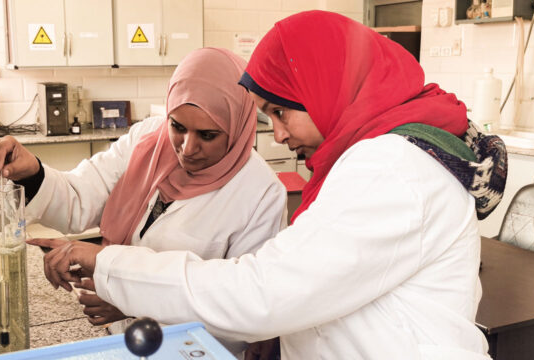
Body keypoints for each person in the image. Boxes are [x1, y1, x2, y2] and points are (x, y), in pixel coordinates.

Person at [29, 11, 508, 359]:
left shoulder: (390, 168)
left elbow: (262, 293)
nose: (276, 134)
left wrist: (110, 264)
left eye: (281, 112)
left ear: (326, 86)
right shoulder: (375, 156)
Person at [0, 47, 288, 356]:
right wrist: (33, 173)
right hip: (121, 339)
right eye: (178, 126)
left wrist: (130, 300)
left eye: (207, 135)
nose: (187, 147)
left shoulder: (260, 193)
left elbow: (240, 309)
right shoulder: (149, 139)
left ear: (237, 126)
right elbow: (81, 195)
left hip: (188, 350)